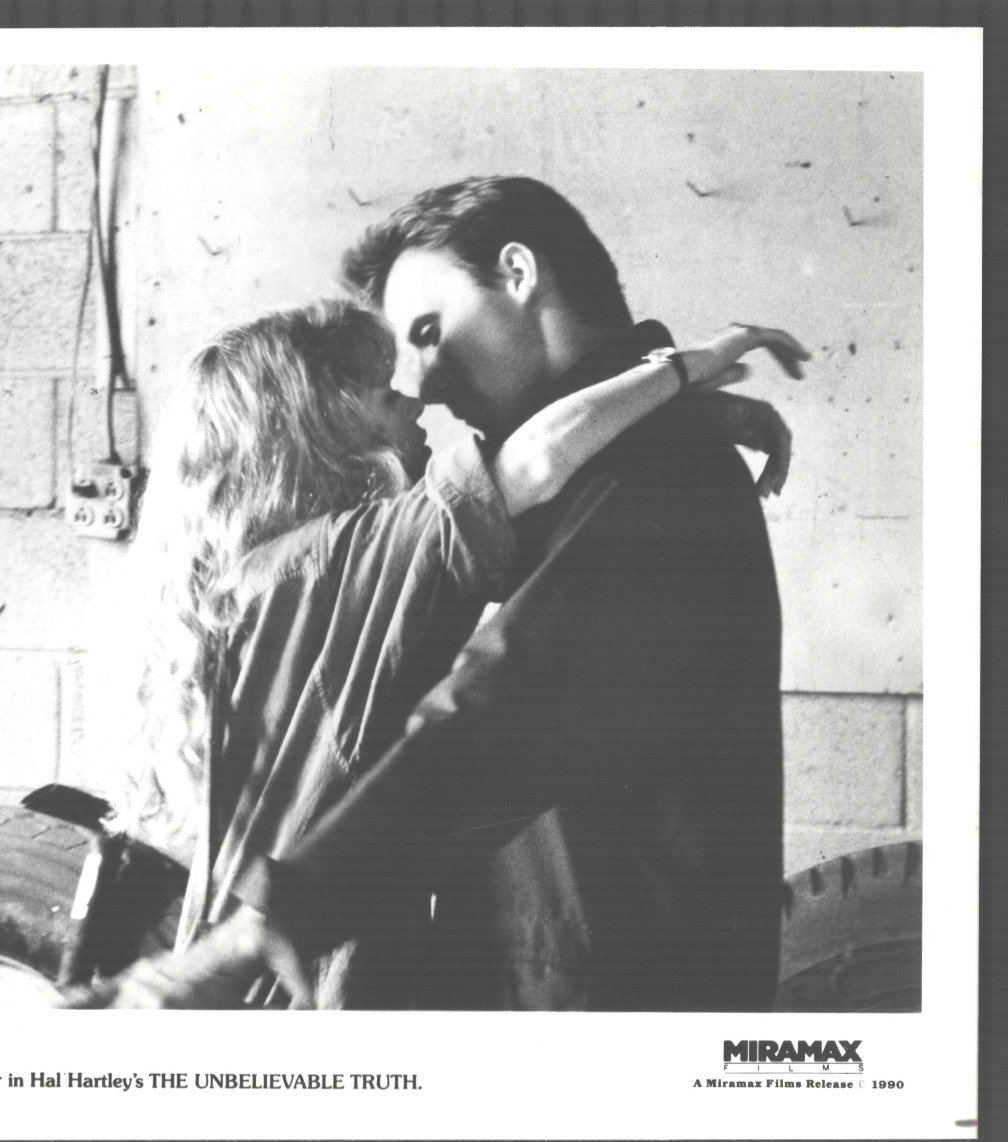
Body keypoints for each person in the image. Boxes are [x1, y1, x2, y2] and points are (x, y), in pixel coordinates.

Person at [90, 232, 806, 1009]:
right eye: (380, 392)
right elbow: (532, 464)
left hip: (271, 959)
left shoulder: (263, 581)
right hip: (318, 969)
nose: (418, 398)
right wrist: (686, 371)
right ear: (321, 430)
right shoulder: (348, 556)